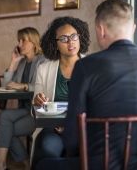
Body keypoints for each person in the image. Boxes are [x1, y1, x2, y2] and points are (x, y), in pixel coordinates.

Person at [35, 0, 137, 170]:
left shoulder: (87, 66)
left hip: (100, 164)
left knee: (43, 165)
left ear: (101, 30)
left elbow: (72, 138)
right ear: (133, 29)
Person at [31, 16, 90, 170]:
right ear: (55, 44)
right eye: (63, 38)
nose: (70, 41)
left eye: (74, 36)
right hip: (52, 128)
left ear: (80, 38)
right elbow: (36, 102)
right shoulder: (44, 69)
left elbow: (98, 105)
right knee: (46, 150)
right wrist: (38, 99)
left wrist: (71, 126)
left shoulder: (92, 66)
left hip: (84, 128)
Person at [0, 27, 47, 170]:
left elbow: (44, 87)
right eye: (19, 41)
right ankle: (3, 164)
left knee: (6, 129)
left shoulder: (43, 61)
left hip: (37, 112)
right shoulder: (22, 63)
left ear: (34, 42)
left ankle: (5, 165)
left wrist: (23, 86)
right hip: (24, 109)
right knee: (4, 116)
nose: (19, 44)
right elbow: (7, 87)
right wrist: (13, 61)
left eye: (24, 41)